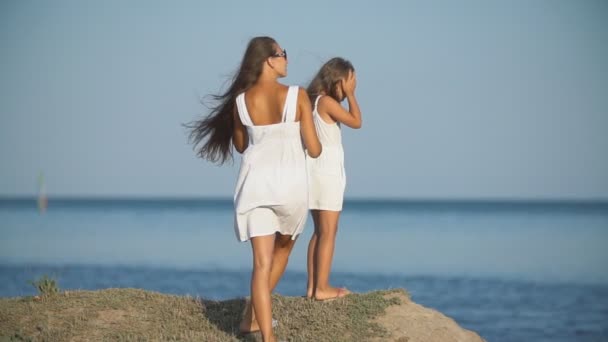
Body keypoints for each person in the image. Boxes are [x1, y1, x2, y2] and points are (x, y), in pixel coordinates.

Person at [187, 36, 321, 342]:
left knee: (260, 265)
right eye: (282, 53)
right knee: (284, 249)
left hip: (255, 188)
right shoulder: (298, 96)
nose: (287, 58)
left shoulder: (239, 102)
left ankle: (260, 330)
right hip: (290, 189)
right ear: (269, 60)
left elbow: (241, 144)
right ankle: (253, 323)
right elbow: (313, 150)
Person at [305, 57, 362, 301]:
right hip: (326, 175)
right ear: (337, 81)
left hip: (313, 173)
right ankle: (322, 288)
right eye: (348, 83)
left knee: (319, 232)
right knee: (329, 232)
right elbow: (357, 122)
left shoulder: (311, 101)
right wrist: (350, 95)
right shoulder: (326, 102)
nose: (351, 88)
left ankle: (312, 287)